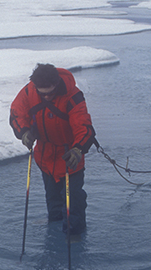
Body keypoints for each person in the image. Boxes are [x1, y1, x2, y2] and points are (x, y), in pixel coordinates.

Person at [10, 64, 96, 235]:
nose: (47, 97)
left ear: (56, 83)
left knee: (73, 199)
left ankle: (75, 233)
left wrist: (78, 149)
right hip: (45, 155)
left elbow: (84, 127)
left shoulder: (73, 96)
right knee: (52, 197)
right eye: (43, 93)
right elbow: (16, 113)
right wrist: (24, 132)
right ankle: (55, 225)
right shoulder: (29, 91)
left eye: (50, 92)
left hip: (69, 155)